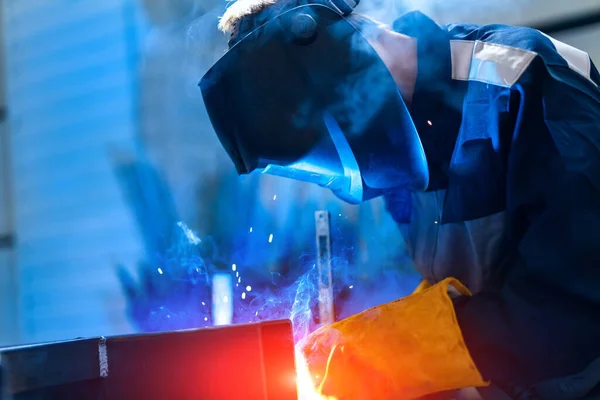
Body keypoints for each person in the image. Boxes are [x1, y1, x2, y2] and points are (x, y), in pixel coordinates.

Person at [199, 0, 600, 398]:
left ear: (333, 64)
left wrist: (389, 350)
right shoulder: (400, 144)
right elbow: (468, 287)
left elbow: (574, 308)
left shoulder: (520, 79)